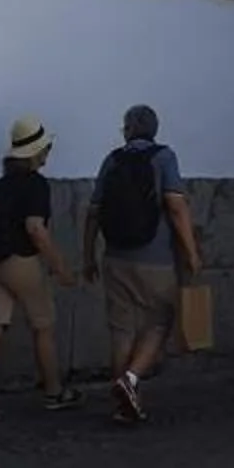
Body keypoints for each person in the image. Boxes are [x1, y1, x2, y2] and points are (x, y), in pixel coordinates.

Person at [84, 103, 202, 421]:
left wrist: (87, 256)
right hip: (156, 259)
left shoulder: (112, 160)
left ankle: (122, 402)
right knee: (159, 322)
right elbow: (176, 207)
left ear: (127, 129)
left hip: (115, 256)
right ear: (155, 129)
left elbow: (93, 212)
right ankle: (131, 379)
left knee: (121, 330)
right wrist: (191, 253)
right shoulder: (164, 157)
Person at [0, 114, 78, 421]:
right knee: (43, 325)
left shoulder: (6, 182)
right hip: (19, 262)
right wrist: (60, 266)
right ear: (39, 152)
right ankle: (54, 391)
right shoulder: (36, 185)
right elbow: (36, 229)